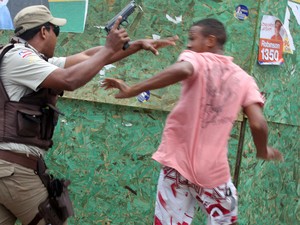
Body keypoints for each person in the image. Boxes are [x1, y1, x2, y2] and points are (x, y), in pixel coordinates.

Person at [0, 5, 178, 225]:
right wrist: (108, 48)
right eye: (57, 31)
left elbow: (88, 56)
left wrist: (137, 45)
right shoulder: (20, 58)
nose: (57, 36)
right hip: (14, 170)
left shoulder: (32, 60)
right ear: (44, 31)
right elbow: (69, 80)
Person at [102, 18, 283, 225]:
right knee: (226, 218)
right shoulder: (245, 80)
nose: (188, 44)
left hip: (176, 167)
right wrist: (262, 150)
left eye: (192, 38)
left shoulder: (195, 58)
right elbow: (258, 123)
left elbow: (184, 70)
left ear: (210, 41)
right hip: (213, 174)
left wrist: (134, 89)